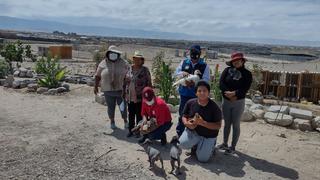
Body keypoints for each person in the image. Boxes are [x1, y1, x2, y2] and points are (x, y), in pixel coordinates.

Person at [179, 80, 222, 163]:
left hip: (208, 135)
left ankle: (210, 145)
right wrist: (186, 123)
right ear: (196, 93)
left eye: (205, 91)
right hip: (194, 132)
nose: (202, 93)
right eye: (199, 91)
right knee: (182, 144)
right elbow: (184, 116)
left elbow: (218, 126)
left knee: (202, 159)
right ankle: (196, 146)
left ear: (209, 92)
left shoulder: (215, 107)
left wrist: (202, 123)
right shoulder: (190, 103)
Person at [218, 52, 252, 154]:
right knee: (227, 123)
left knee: (236, 124)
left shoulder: (247, 74)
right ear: (232, 62)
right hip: (226, 101)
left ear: (242, 61)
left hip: (238, 101)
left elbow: (245, 88)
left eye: (238, 60)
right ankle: (224, 143)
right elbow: (221, 83)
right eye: (234, 61)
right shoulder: (227, 70)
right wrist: (227, 94)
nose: (236, 62)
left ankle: (232, 147)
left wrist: (234, 94)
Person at [175, 44, 210, 137]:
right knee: (182, 114)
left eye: (196, 54)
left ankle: (193, 137)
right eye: (193, 54)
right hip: (184, 94)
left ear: (199, 54)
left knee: (195, 116)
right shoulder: (184, 62)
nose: (194, 57)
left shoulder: (204, 65)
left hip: (196, 96)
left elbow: (206, 80)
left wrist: (194, 84)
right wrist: (182, 74)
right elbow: (176, 73)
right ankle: (180, 134)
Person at [94, 45, 129, 130]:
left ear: (118, 54)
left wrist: (127, 87)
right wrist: (95, 86)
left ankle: (125, 121)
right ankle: (112, 122)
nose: (113, 55)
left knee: (122, 106)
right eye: (111, 53)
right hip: (108, 90)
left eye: (115, 53)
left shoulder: (123, 63)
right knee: (111, 107)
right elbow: (97, 76)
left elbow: (129, 75)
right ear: (108, 53)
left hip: (121, 91)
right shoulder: (103, 63)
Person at [123, 51, 152, 137]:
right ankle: (131, 130)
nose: (137, 61)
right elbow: (124, 82)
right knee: (131, 114)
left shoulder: (145, 70)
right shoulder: (129, 69)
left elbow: (149, 83)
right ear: (133, 59)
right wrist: (123, 92)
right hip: (130, 96)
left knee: (139, 115)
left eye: (139, 59)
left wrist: (149, 96)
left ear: (142, 60)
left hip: (141, 97)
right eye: (135, 59)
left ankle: (139, 131)